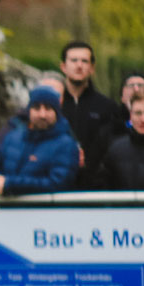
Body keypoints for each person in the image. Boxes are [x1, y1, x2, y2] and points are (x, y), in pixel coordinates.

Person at [0, 86, 79, 196]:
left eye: (48, 108)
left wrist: (11, 185)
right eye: (37, 108)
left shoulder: (66, 145)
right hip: (6, 210)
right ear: (29, 111)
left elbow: (58, 183)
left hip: (45, 211)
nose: (42, 115)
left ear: (57, 113)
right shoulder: (12, 137)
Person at [59, 41, 117, 188]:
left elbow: (112, 147)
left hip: (95, 185)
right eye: (74, 60)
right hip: (57, 181)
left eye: (84, 61)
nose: (79, 65)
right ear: (63, 67)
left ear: (92, 68)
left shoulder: (107, 107)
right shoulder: (51, 106)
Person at [98, 89, 144, 190]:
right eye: (138, 113)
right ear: (130, 115)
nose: (143, 119)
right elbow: (104, 186)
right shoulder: (116, 149)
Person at [111, 72, 144, 137]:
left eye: (140, 85)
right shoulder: (111, 126)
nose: (136, 89)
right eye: (131, 86)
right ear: (122, 97)